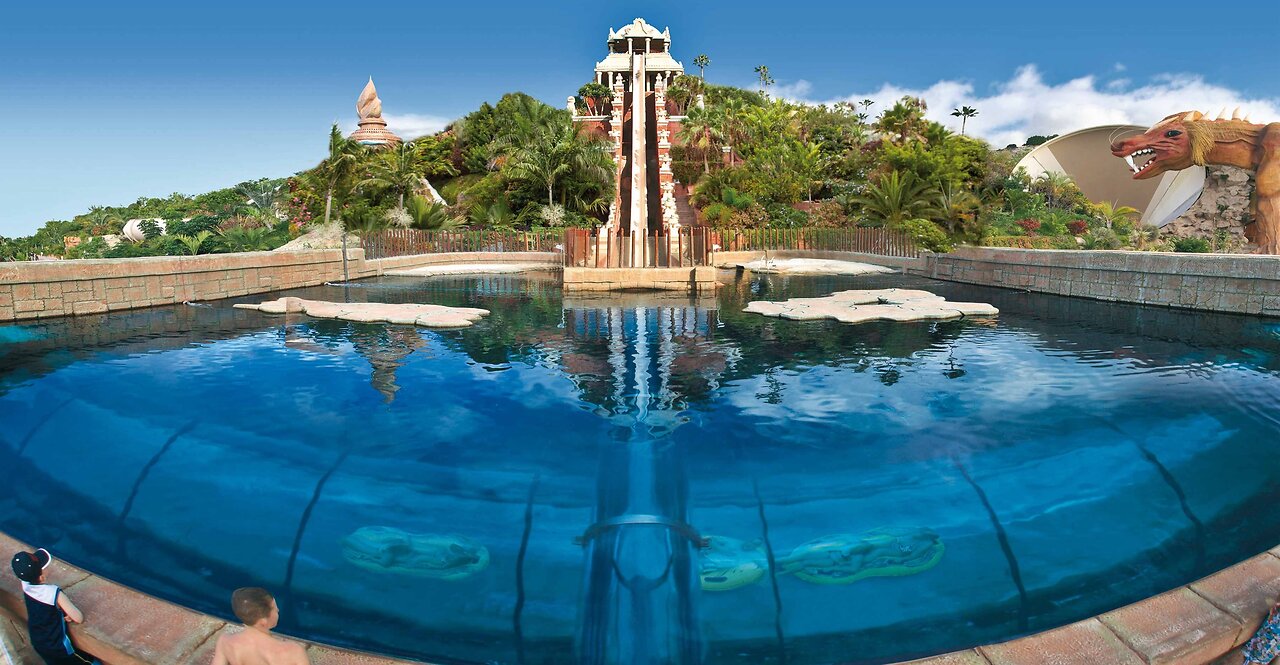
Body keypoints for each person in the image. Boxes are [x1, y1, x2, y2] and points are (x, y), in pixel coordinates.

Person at [9, 548, 100, 665]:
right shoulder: (53, 593)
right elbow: (78, 618)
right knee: (91, 662)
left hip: (38, 642)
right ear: (41, 577)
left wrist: (61, 615)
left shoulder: (25, 584)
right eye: (44, 568)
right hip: (58, 647)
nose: (46, 569)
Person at [211, 587, 310, 665]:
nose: (278, 610)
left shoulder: (225, 642)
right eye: (275, 609)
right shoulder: (294, 651)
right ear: (263, 622)